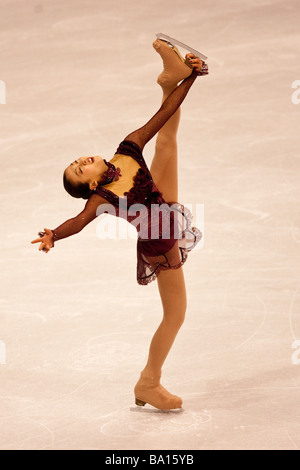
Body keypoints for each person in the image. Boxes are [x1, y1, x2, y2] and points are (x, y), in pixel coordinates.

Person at [31, 37, 208, 410]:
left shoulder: (127, 149)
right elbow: (78, 221)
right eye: (80, 168)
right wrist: (54, 235)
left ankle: (167, 78)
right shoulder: (104, 198)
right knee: (176, 315)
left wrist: (188, 80)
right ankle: (148, 382)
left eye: (78, 158)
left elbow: (161, 119)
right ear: (92, 185)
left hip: (165, 207)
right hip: (160, 242)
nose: (83, 159)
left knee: (167, 141)